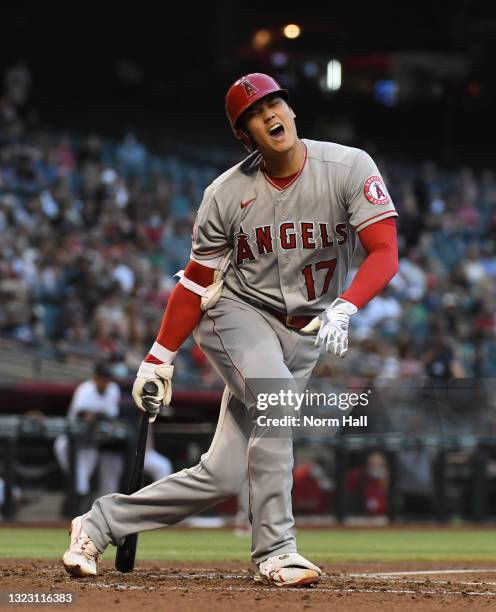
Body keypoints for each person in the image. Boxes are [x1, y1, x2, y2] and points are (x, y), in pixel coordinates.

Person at [62, 73, 398, 587]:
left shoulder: (348, 167)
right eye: (254, 116)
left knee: (221, 475)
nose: (269, 116)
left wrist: (348, 306)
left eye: (274, 104)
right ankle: (276, 551)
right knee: (276, 398)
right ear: (247, 137)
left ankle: (99, 522)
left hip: (307, 332)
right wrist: (158, 355)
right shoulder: (225, 193)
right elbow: (197, 284)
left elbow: (385, 250)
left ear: (290, 110)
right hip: (238, 315)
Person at [54, 362, 172, 514]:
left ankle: (77, 509)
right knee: (76, 472)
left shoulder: (112, 389)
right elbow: (83, 415)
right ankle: (72, 508)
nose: (105, 381)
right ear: (95, 377)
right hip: (70, 440)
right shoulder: (85, 390)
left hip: (90, 443)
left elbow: (109, 415)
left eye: (107, 378)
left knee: (83, 479)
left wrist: (99, 417)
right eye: (102, 378)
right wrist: (97, 416)